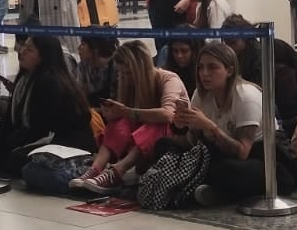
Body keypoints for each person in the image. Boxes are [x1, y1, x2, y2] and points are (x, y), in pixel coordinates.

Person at [173, 41, 297, 205]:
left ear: (229, 71)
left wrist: (210, 127)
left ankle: (220, 193)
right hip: (222, 155)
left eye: (212, 67)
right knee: (166, 147)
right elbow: (194, 144)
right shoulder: (201, 95)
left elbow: (242, 152)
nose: (204, 73)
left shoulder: (245, 97)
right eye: (201, 67)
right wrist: (184, 125)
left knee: (225, 170)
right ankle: (215, 190)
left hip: (266, 161)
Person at [71, 41, 189, 193]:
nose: (125, 78)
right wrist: (112, 114)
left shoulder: (169, 79)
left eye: (128, 73)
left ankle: (117, 171)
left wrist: (126, 111)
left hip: (174, 137)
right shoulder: (127, 83)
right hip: (141, 137)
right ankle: (96, 168)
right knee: (120, 121)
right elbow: (126, 115)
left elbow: (167, 115)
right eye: (122, 73)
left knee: (154, 123)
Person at [0, 35, 96, 177]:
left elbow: (40, 129)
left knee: (15, 159)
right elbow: (11, 121)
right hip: (37, 135)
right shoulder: (25, 78)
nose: (22, 51)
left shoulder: (49, 82)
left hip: (64, 142)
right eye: (24, 46)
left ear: (43, 56)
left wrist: (7, 143)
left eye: (29, 49)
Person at [223, 14, 297, 137]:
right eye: (226, 43)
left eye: (232, 43)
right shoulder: (252, 59)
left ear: (245, 39)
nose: (229, 49)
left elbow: (271, 107)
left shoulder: (274, 69)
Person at [76, 33, 119, 107]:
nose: (79, 48)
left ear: (96, 48)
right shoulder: (83, 66)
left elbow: (118, 106)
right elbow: (81, 99)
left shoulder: (116, 67)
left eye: (83, 44)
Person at [163, 28, 202, 96]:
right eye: (175, 51)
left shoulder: (203, 75)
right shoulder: (166, 74)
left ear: (194, 50)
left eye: (184, 51)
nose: (179, 55)